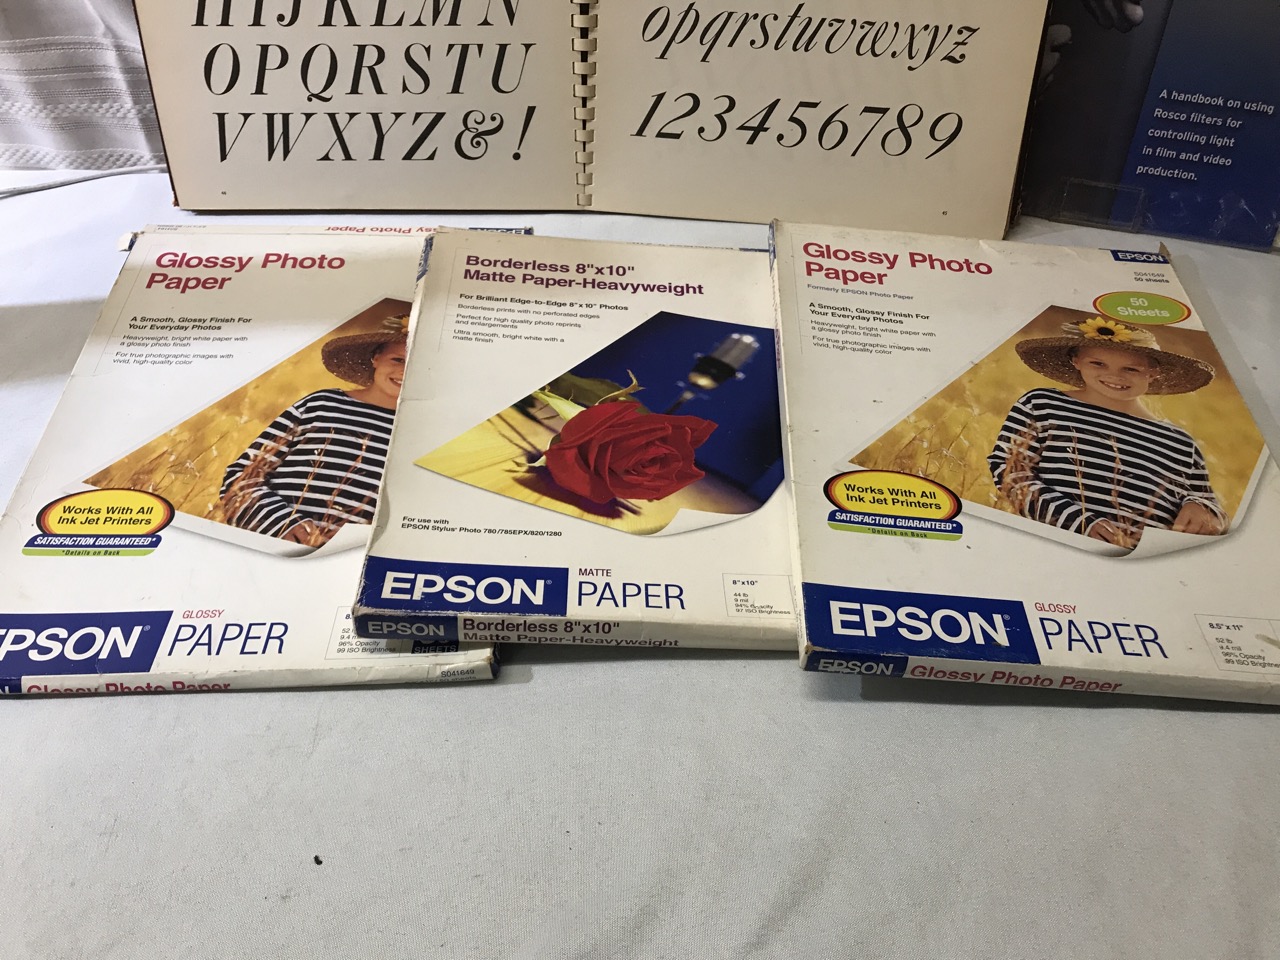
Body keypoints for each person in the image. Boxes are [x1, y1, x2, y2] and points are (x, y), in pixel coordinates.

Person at [988, 316, 1226, 548]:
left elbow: (1207, 502)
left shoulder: (1179, 442)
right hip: (1054, 545)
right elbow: (1009, 470)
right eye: (1097, 363)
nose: (1114, 376)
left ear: (1154, 373)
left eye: (1131, 369)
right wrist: (1076, 521)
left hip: (1140, 559)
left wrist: (1203, 509)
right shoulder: (1043, 404)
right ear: (1076, 360)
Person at [220, 318, 408, 548]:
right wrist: (281, 525)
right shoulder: (321, 404)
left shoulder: (418, 433)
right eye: (397, 359)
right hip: (270, 544)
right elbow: (241, 477)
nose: (405, 370)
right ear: (376, 358)